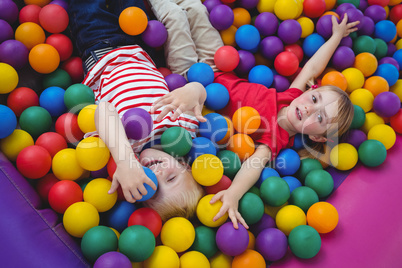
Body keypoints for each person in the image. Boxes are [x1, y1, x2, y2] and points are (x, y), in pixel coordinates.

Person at [149, 3, 358, 229]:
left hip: (189, 82)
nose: (309, 109)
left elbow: (253, 166)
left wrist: (233, 195)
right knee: (195, 10)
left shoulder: (275, 137)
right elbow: (312, 68)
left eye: (320, 119)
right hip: (218, 64)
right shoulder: (291, 96)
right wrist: (336, 37)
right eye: (315, 99)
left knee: (175, 18)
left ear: (317, 138)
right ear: (311, 89)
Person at [68, 0, 213, 221]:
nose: (157, 175)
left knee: (89, 7)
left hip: (101, 48)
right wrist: (193, 91)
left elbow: (104, 110)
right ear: (184, 164)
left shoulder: (123, 151)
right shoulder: (182, 132)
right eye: (171, 178)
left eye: (153, 189)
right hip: (139, 46)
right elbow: (200, 93)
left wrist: (125, 161)